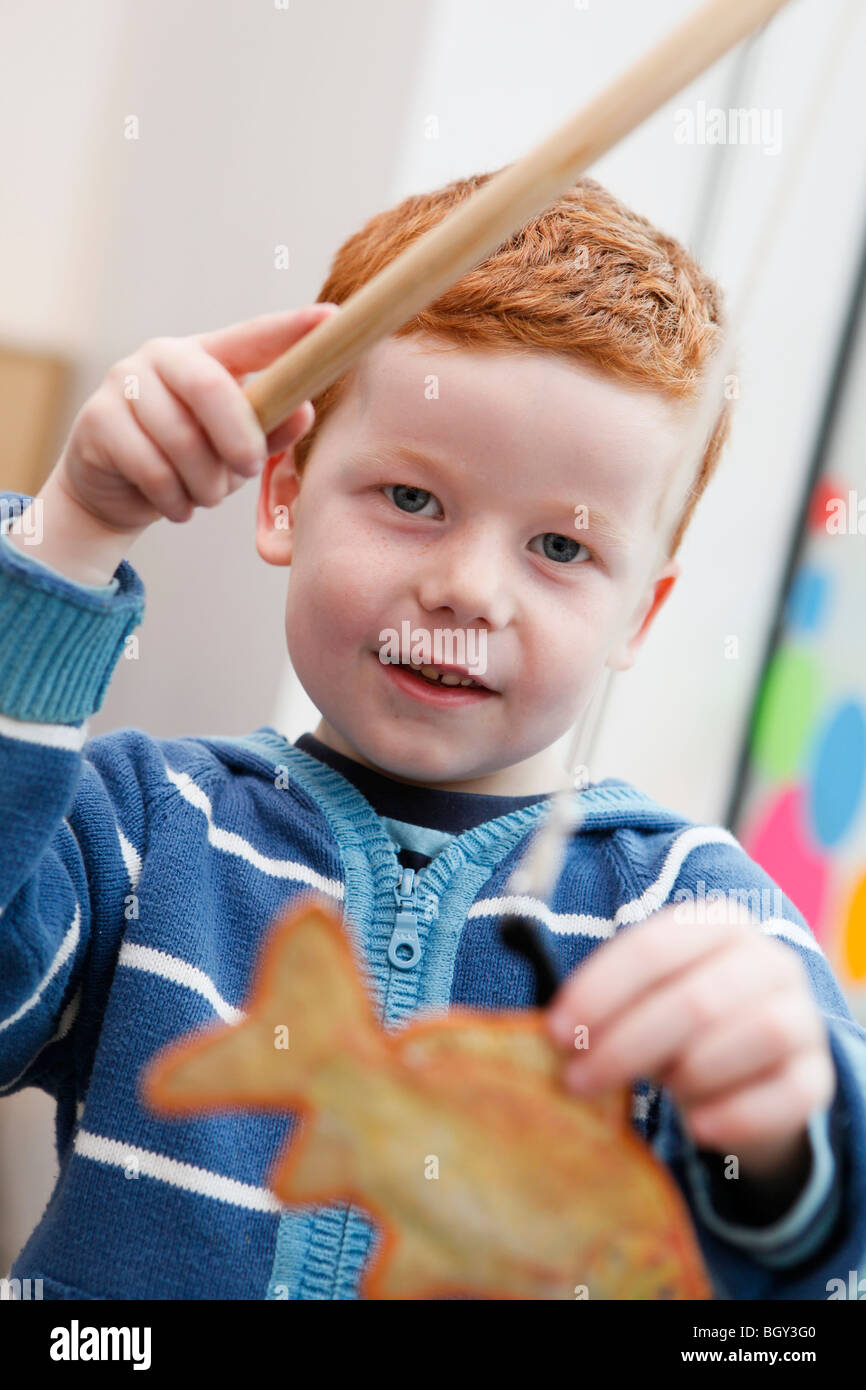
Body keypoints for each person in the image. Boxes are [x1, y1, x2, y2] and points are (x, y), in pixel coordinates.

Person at [1, 172, 863, 1301]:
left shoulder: (691, 914)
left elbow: (802, 1273)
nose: (467, 590)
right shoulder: (140, 832)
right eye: (412, 499)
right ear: (282, 499)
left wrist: (778, 1149)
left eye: (560, 548)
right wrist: (69, 534)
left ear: (635, 617)